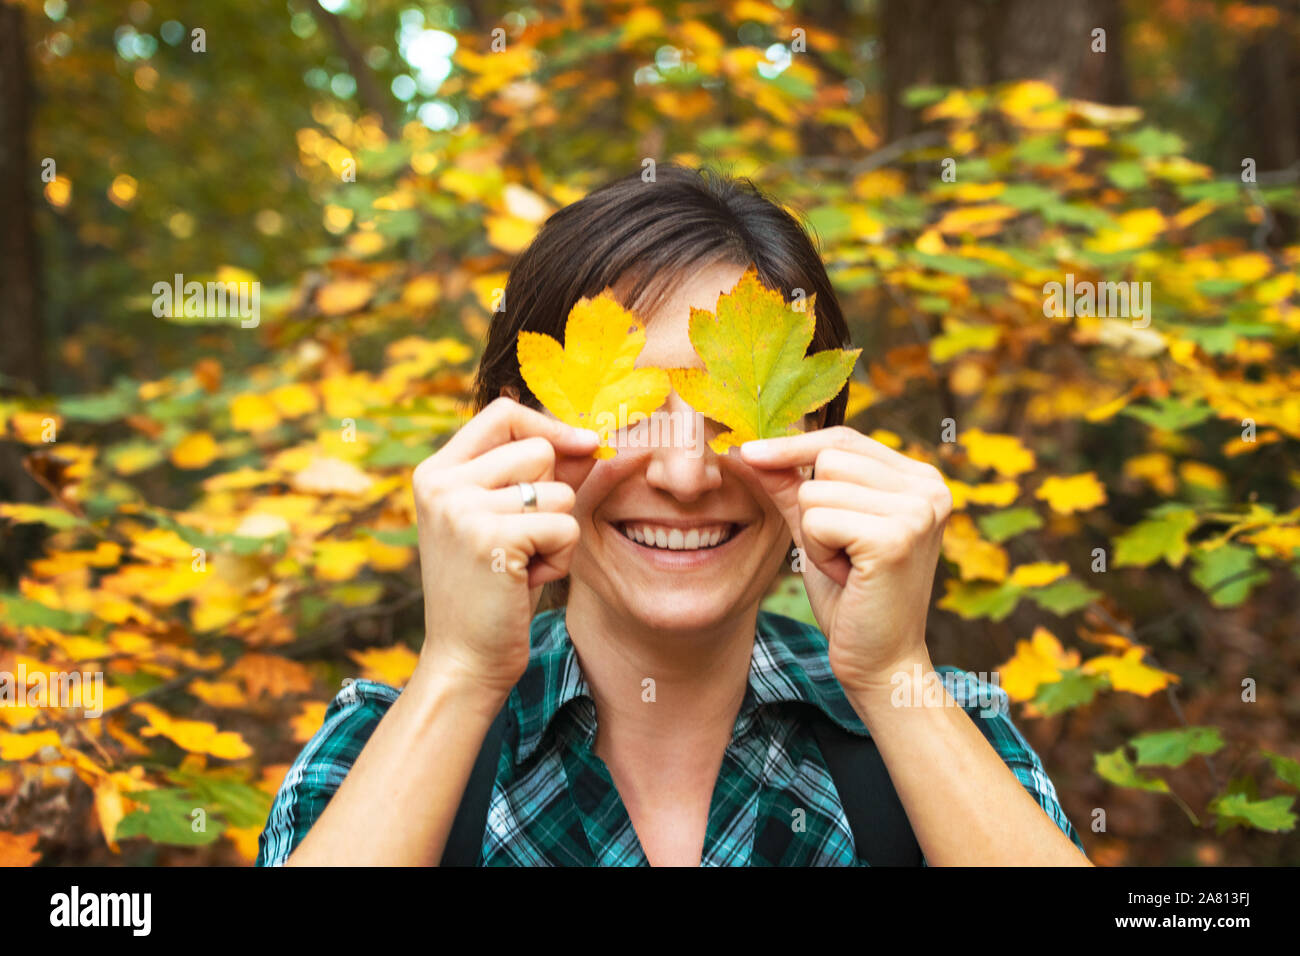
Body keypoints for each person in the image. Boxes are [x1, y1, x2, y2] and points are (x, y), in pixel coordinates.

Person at [256, 164, 1089, 866]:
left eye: (731, 415)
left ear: (819, 437)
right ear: (514, 435)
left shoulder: (945, 733)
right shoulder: (379, 746)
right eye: (628, 416)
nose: (686, 474)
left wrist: (891, 676)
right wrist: (460, 675)